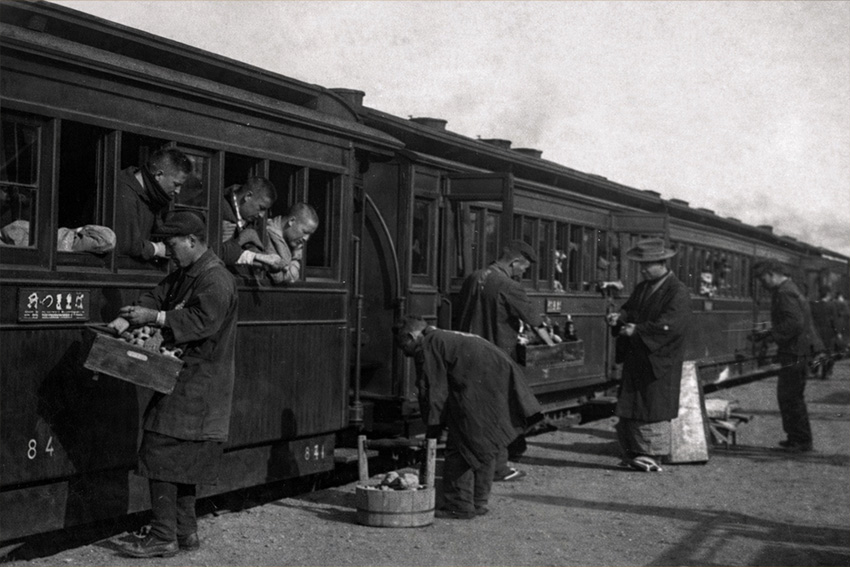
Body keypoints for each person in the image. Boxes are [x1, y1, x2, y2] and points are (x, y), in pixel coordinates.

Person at [108, 211, 238, 557]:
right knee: (183, 457)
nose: (167, 250)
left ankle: (163, 536)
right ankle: (185, 532)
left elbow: (201, 321)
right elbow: (156, 294)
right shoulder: (187, 273)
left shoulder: (217, 281)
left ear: (193, 242)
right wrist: (125, 320)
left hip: (200, 383)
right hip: (190, 381)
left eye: (172, 243)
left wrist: (153, 318)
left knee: (160, 446)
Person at [393, 316, 542, 520]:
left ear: (411, 336)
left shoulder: (428, 345)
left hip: (485, 389)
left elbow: (433, 393)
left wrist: (432, 431)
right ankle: (478, 502)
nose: (405, 353)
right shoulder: (443, 336)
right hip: (499, 384)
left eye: (404, 346)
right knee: (485, 445)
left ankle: (459, 506)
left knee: (460, 447)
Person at [456, 239, 556, 482]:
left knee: (473, 411)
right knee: (499, 412)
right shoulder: (509, 285)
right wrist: (553, 344)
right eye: (524, 268)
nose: (524, 273)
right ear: (514, 262)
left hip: (466, 354)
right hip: (495, 358)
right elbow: (535, 321)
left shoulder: (473, 277)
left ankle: (477, 462)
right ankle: (499, 468)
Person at [605, 238, 691, 472]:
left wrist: (638, 329)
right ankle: (634, 451)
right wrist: (620, 317)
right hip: (639, 355)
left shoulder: (677, 291)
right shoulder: (644, 288)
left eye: (647, 265)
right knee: (634, 405)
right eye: (641, 265)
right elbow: (631, 309)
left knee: (652, 406)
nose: (642, 269)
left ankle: (653, 454)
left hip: (659, 359)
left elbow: (671, 325)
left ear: (662, 263)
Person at [753, 259, 822, 453]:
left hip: (795, 351)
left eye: (762, 278)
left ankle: (801, 440)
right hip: (797, 350)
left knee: (790, 396)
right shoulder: (789, 289)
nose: (762, 283)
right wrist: (769, 334)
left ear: (773, 274)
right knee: (791, 396)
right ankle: (796, 438)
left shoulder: (784, 292)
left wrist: (772, 336)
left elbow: (794, 323)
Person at [115, 148, 193, 261]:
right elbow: (125, 245)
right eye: (176, 184)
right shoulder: (123, 191)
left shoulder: (153, 194)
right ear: (158, 175)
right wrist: (156, 249)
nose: (178, 191)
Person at [220, 177, 277, 268]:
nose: (261, 215)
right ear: (248, 196)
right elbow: (220, 252)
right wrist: (245, 237)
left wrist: (261, 256)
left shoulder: (248, 217)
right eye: (261, 208)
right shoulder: (222, 210)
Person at [810, 288, 838, 379]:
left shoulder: (814, 305)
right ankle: (825, 373)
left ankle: (815, 370)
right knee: (828, 352)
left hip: (817, 332)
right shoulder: (831, 305)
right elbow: (834, 320)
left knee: (817, 352)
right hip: (828, 332)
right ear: (828, 295)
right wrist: (837, 332)